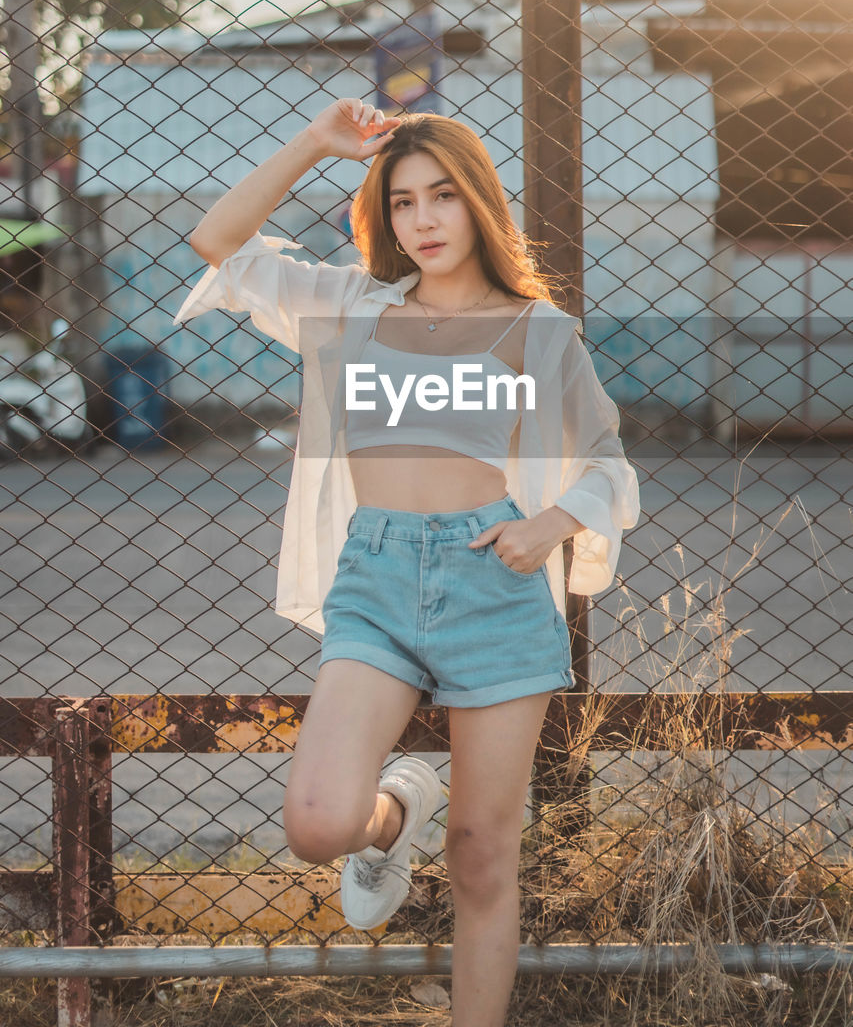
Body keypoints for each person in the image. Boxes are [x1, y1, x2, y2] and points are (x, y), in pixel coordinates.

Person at [174, 97, 641, 1027]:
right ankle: (398, 807)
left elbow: (607, 467)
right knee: (316, 824)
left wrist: (550, 523)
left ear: (478, 205)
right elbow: (218, 240)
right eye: (399, 203)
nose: (421, 220)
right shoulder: (350, 306)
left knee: (480, 853)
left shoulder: (533, 329)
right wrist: (314, 141)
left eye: (441, 197)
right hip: (377, 582)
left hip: (495, 587)